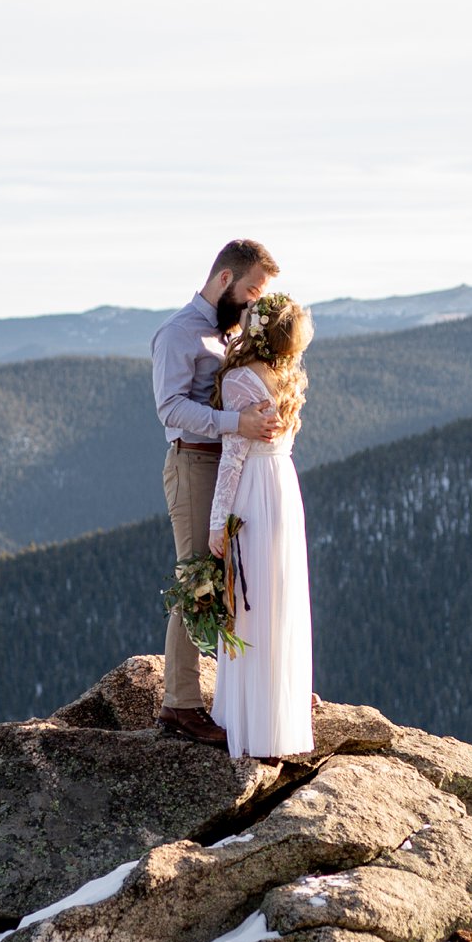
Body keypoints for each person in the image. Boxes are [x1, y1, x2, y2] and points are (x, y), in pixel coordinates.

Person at [152, 239, 287, 745]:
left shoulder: (229, 334)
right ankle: (180, 706)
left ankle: (252, 690)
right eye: (252, 290)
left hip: (235, 466)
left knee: (238, 576)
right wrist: (237, 422)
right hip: (193, 463)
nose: (254, 302)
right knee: (196, 580)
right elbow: (170, 410)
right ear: (225, 279)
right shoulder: (177, 334)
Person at [206, 294, 314, 762]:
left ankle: (245, 725)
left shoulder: (240, 379)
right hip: (283, 488)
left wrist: (216, 524)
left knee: (247, 603)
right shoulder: (287, 376)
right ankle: (277, 722)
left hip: (253, 488)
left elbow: (232, 458)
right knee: (278, 599)